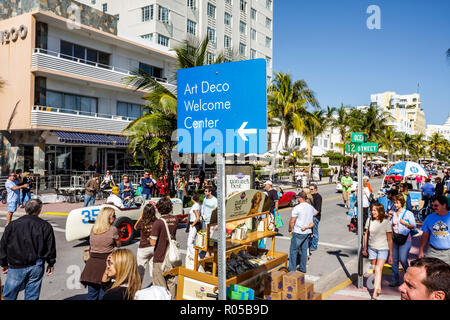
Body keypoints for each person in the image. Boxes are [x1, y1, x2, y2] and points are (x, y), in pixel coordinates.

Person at [0, 199, 56, 300]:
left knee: (9, 296)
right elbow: (50, 247)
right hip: (36, 265)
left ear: (26, 209)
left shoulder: (12, 225)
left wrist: (3, 263)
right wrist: (51, 263)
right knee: (32, 296)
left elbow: (3, 245)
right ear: (39, 210)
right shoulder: (45, 226)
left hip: (15, 265)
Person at [80, 207, 121, 300]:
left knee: (91, 295)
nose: (115, 218)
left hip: (92, 266)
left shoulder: (94, 229)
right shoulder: (113, 229)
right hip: (105, 265)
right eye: (114, 216)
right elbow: (118, 245)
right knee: (104, 294)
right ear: (109, 217)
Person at [362, 203, 394, 300]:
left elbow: (389, 239)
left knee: (378, 269)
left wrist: (391, 255)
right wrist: (365, 248)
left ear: (380, 211)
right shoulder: (369, 220)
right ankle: (379, 286)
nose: (373, 212)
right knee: (375, 269)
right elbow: (366, 234)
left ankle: (375, 292)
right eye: (372, 210)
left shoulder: (386, 223)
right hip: (372, 248)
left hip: (383, 249)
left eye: (375, 210)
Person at [149, 197, 179, 298]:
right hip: (171, 257)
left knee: (159, 287)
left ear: (159, 208)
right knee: (171, 283)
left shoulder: (158, 222)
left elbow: (153, 242)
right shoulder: (175, 219)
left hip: (160, 257)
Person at [388, 195, 417, 287]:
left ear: (402, 203)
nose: (395, 205)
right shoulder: (394, 213)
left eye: (397, 203)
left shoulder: (408, 213)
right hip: (395, 239)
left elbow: (413, 226)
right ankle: (395, 279)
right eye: (394, 203)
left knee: (403, 259)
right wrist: (389, 217)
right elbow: (389, 225)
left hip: (405, 239)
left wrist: (405, 223)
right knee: (395, 260)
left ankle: (410, 276)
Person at [288, 192, 316, 273]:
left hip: (298, 231)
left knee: (293, 250)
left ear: (300, 198)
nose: (297, 199)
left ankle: (292, 268)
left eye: (298, 198)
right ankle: (303, 268)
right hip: (307, 231)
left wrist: (290, 229)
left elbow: (292, 221)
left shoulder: (297, 207)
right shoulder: (310, 207)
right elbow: (315, 213)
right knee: (304, 250)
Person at [418, 195, 450, 265]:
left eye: (436, 205)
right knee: (430, 273)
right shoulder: (429, 218)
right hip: (432, 252)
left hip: (448, 253)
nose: (433, 207)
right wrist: (421, 250)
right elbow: (425, 235)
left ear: (444, 205)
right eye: (432, 205)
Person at [134, 203, 157, 283]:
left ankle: (138, 288)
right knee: (153, 269)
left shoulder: (142, 221)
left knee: (140, 270)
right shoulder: (156, 221)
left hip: (143, 248)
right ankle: (154, 285)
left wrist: (140, 217)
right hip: (153, 248)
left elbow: (135, 227)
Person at [186, 193, 202, 270]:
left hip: (194, 224)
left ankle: (196, 257)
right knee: (193, 241)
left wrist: (193, 224)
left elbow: (197, 217)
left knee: (189, 242)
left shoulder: (195, 206)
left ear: (193, 198)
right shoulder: (198, 205)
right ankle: (192, 256)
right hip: (196, 224)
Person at [308, 184, 322, 254]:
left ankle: (314, 246)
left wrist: (313, 216)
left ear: (316, 189)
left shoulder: (318, 197)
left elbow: (317, 210)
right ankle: (309, 245)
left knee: (315, 233)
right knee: (309, 232)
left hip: (315, 217)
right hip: (309, 217)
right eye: (309, 189)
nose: (310, 190)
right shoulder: (309, 196)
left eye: (312, 189)